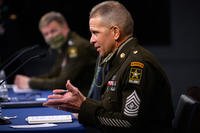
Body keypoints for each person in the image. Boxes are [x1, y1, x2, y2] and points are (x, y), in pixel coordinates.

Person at [43, 1, 174, 133]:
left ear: (115, 32)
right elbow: (112, 108)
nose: (91, 40)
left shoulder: (136, 65)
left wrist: (83, 108)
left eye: (95, 33)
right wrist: (83, 102)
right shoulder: (116, 59)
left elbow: (128, 122)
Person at [14, 11, 97, 95]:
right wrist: (29, 80)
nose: (50, 36)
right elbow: (54, 74)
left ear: (65, 27)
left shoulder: (76, 47)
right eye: (46, 34)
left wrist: (30, 83)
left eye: (53, 31)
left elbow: (62, 83)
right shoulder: (65, 46)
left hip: (88, 97)